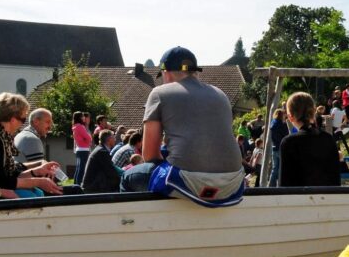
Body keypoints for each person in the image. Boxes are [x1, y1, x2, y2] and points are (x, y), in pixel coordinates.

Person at [121, 46, 244, 200]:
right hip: (233, 184)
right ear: (194, 71)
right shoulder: (221, 95)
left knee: (128, 177)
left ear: (166, 73)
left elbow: (149, 155)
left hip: (186, 183)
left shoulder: (159, 93)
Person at [0, 93, 62, 198]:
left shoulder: (2, 135)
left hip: (0, 187)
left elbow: (11, 171)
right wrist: (38, 182)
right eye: (23, 119)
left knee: (38, 193)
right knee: (35, 197)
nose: (23, 124)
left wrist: (37, 170)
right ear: (13, 119)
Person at [279, 92, 341, 187]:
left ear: (290, 117)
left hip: (299, 200)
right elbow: (336, 179)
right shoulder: (328, 139)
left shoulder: (288, 143)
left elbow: (285, 183)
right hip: (327, 199)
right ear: (314, 111)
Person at [82, 129, 121, 193]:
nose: (115, 140)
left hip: (91, 186)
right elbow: (111, 172)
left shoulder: (100, 149)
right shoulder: (102, 152)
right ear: (109, 139)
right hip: (92, 188)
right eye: (114, 137)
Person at [268, 108, 288, 187]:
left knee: (275, 168)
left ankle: (271, 185)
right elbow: (286, 135)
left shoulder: (272, 123)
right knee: (281, 168)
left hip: (274, 147)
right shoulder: (282, 125)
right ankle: (280, 185)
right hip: (281, 147)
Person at [71, 111, 92, 185]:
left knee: (78, 168)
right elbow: (88, 138)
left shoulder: (75, 126)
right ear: (80, 117)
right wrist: (89, 138)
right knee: (82, 169)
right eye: (83, 116)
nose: (84, 118)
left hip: (79, 149)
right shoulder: (80, 126)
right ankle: (79, 185)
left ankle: (76, 184)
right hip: (84, 149)